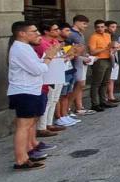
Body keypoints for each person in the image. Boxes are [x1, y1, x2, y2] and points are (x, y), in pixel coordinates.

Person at [8, 21, 61, 170]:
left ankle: (28, 151)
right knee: (23, 126)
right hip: (24, 90)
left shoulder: (26, 48)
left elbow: (37, 64)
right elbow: (37, 69)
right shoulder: (19, 49)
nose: (38, 34)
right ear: (22, 33)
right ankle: (21, 159)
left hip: (32, 89)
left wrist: (49, 55)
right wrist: (49, 57)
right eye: (34, 31)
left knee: (30, 124)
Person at [34, 21, 67, 136]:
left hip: (56, 72)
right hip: (48, 74)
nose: (58, 31)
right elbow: (47, 58)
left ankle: (49, 123)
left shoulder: (55, 41)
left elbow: (58, 56)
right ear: (46, 31)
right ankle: (41, 127)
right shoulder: (42, 43)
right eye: (55, 29)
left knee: (54, 99)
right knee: (48, 100)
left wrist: (69, 54)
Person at [68, 14, 93, 116]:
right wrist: (81, 56)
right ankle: (68, 108)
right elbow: (67, 48)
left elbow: (81, 48)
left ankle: (79, 106)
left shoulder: (80, 34)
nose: (85, 26)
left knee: (81, 85)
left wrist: (85, 55)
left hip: (82, 61)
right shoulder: (71, 34)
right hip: (74, 61)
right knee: (78, 84)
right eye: (84, 23)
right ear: (76, 22)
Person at [88, 19, 114, 112]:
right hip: (99, 60)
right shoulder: (93, 37)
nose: (100, 29)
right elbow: (92, 51)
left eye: (102, 27)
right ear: (95, 28)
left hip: (109, 59)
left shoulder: (108, 35)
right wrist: (105, 48)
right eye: (98, 27)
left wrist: (113, 48)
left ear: (105, 27)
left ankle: (103, 101)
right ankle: (95, 104)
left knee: (105, 82)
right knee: (96, 83)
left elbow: (110, 47)